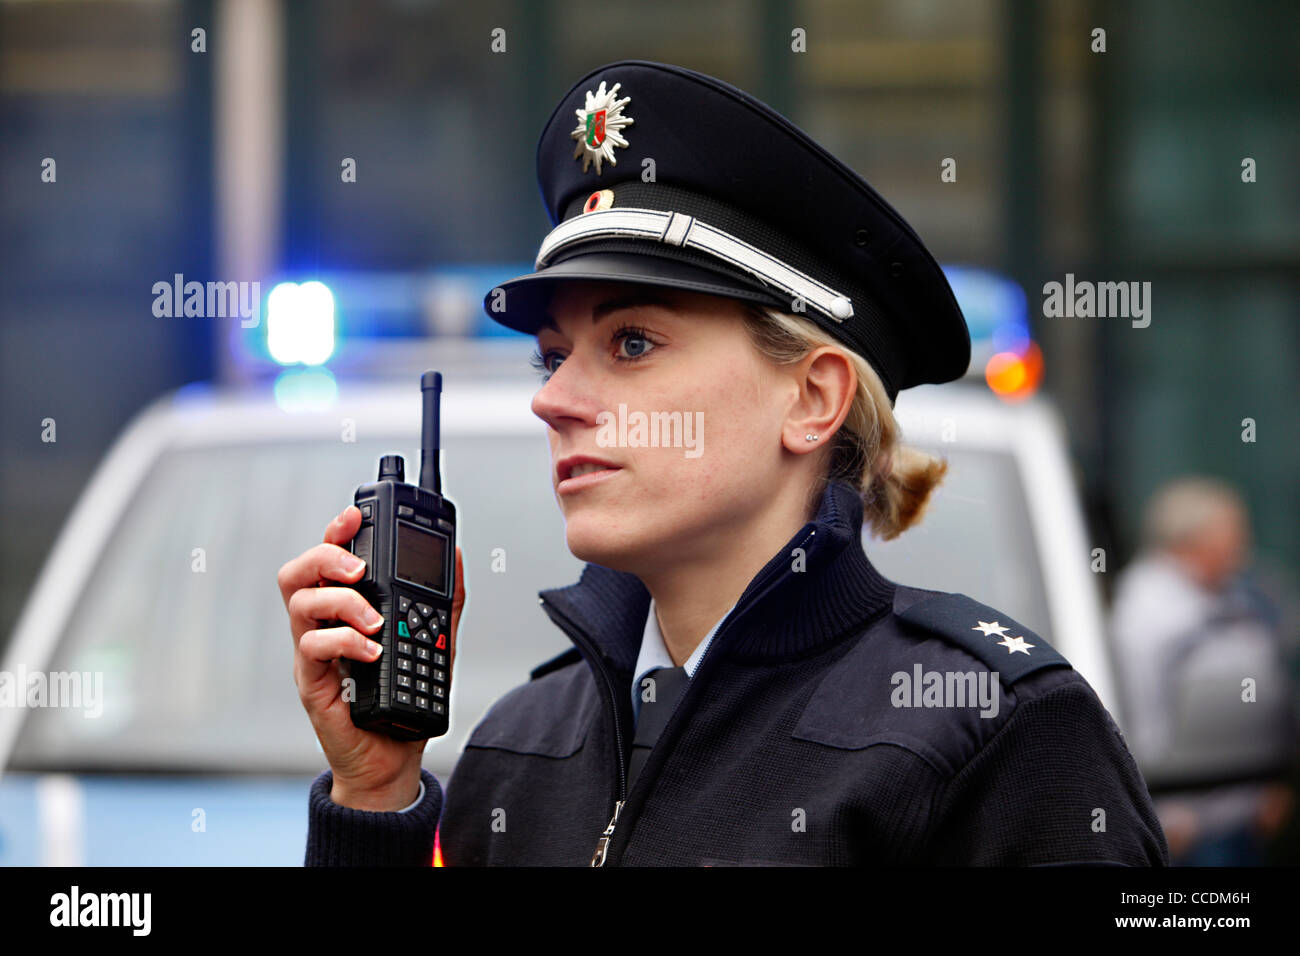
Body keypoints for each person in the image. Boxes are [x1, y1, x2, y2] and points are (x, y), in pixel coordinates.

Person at [279, 59, 1168, 866]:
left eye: (631, 343)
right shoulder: (521, 747)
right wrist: (376, 794)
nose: (552, 400)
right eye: (553, 356)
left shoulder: (999, 736)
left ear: (813, 399)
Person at [1110, 476, 1296, 865]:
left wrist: (1271, 784)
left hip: (1244, 811)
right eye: (1232, 530)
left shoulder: (1241, 595)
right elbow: (1141, 718)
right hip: (1188, 826)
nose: (1243, 542)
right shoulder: (1146, 614)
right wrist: (1167, 810)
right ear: (1191, 539)